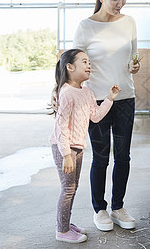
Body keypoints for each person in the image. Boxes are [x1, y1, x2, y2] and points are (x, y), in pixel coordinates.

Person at [72, 0, 140, 231]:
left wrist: (135, 65)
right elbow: (76, 65)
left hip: (125, 98)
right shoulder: (85, 26)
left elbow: (134, 57)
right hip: (96, 100)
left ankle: (118, 207)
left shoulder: (129, 22)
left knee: (123, 156)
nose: (120, 4)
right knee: (101, 157)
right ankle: (99, 209)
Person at [49, 49, 121, 243]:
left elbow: (95, 116)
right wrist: (66, 154)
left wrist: (109, 98)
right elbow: (61, 126)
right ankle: (62, 231)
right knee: (68, 189)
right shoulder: (65, 93)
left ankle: (65, 223)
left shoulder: (87, 92)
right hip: (64, 147)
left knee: (73, 187)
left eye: (89, 62)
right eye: (84, 62)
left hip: (77, 147)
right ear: (70, 67)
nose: (89, 65)